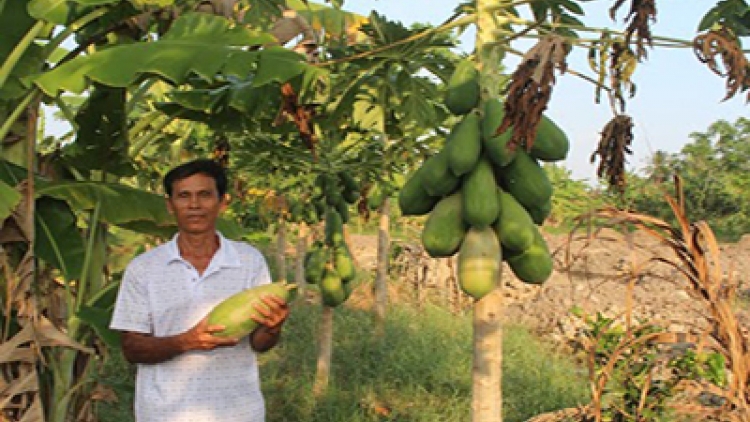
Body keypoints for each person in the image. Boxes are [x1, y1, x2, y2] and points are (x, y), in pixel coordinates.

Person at [109, 159, 289, 422]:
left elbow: (260, 344)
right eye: (184, 196)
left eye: (205, 195)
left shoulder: (249, 260)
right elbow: (132, 349)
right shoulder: (144, 268)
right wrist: (186, 341)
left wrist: (273, 327)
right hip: (165, 414)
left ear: (222, 202)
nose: (194, 205)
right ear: (170, 206)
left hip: (238, 412)